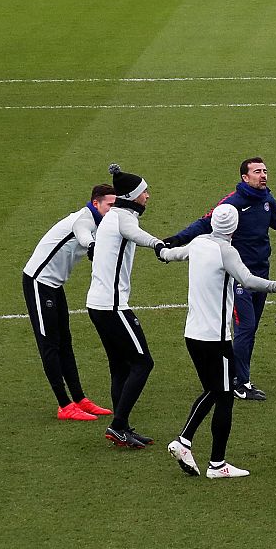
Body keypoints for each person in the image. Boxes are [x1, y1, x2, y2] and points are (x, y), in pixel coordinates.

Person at [158, 205, 276, 480]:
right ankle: (211, 460)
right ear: (235, 228)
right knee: (222, 396)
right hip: (216, 339)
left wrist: (160, 249)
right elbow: (249, 281)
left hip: (193, 334)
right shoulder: (227, 252)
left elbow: (170, 254)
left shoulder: (199, 242)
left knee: (215, 391)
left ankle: (189, 444)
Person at [166, 157, 276, 400]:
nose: (263, 175)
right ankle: (240, 382)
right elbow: (204, 223)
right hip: (240, 276)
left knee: (249, 331)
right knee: (246, 327)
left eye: (265, 171)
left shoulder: (266, 199)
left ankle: (237, 377)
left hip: (262, 273)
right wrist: (177, 240)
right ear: (245, 177)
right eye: (257, 172)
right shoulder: (231, 204)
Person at [87, 164, 166, 448]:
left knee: (120, 366)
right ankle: (119, 425)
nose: (148, 196)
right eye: (144, 192)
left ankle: (122, 426)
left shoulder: (113, 216)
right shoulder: (122, 217)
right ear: (132, 195)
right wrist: (159, 245)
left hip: (97, 304)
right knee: (144, 362)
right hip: (112, 305)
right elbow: (136, 235)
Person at [25, 183, 117, 421]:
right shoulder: (83, 220)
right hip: (39, 282)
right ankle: (64, 405)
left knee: (65, 341)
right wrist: (94, 247)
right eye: (110, 205)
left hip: (55, 285)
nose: (113, 209)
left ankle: (79, 399)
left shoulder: (99, 221)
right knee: (49, 344)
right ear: (96, 203)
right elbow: (85, 237)